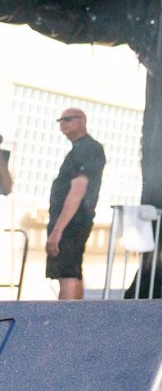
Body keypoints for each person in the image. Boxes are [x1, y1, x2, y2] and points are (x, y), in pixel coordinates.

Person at [44, 107, 104, 301]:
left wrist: (58, 229)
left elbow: (79, 188)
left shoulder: (88, 148)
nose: (63, 123)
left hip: (72, 222)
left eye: (68, 119)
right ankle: (74, 315)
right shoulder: (79, 149)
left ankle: (66, 317)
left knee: (68, 273)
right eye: (60, 120)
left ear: (82, 120)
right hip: (70, 221)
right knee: (69, 272)